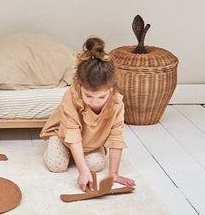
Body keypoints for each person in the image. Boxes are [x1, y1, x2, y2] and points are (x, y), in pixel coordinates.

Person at [40, 37, 136, 192]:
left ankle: (78, 155)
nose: (95, 102)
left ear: (111, 89)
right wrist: (83, 171)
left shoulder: (116, 102)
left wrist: (113, 174)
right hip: (64, 136)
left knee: (96, 165)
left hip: (91, 141)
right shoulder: (71, 97)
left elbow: (115, 137)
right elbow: (72, 133)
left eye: (101, 97)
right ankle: (61, 147)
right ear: (80, 86)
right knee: (56, 165)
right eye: (88, 96)